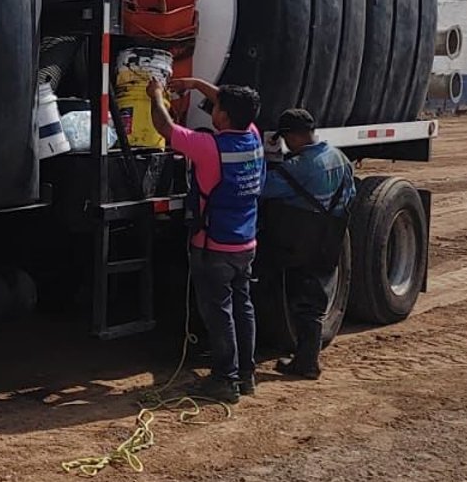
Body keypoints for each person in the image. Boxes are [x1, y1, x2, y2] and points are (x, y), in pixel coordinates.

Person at [147, 75, 264, 403]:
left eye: (217, 107)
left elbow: (166, 129)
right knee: (244, 308)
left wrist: (156, 95)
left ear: (223, 116)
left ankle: (224, 380)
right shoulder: (252, 137)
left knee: (219, 313)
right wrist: (196, 84)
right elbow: (235, 106)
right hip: (245, 243)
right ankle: (245, 375)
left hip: (213, 247)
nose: (214, 107)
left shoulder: (210, 148)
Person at [260, 107, 354, 379]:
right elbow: (351, 194)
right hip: (331, 237)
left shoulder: (298, 168)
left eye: (286, 138)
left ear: (294, 136)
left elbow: (263, 188)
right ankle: (306, 358)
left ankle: (307, 363)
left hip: (302, 241)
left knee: (305, 304)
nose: (286, 144)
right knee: (317, 297)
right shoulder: (340, 157)